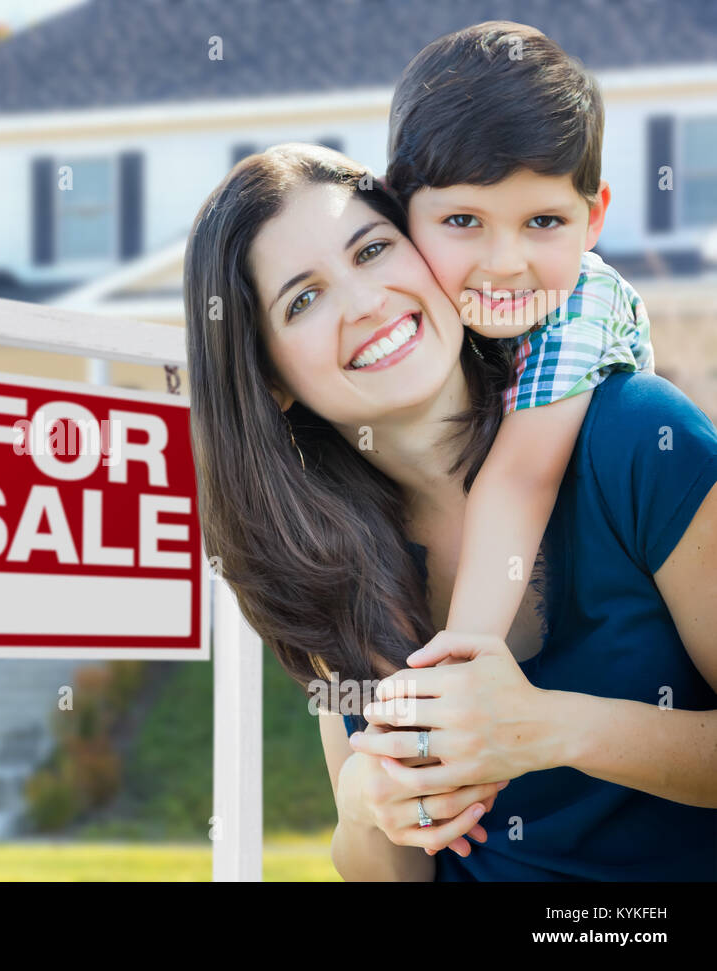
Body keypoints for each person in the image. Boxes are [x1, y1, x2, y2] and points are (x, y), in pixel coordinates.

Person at [183, 141, 717, 880]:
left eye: (373, 249)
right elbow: (391, 866)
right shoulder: (325, 556)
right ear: (269, 378)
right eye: (303, 299)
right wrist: (369, 806)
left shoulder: (635, 437)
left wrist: (552, 729)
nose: (366, 302)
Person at [384, 22, 654, 643]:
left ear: (593, 219)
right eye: (462, 219)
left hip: (607, 572)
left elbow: (521, 481)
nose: (505, 262)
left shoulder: (584, 303)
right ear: (401, 212)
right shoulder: (416, 305)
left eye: (542, 220)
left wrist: (463, 656)